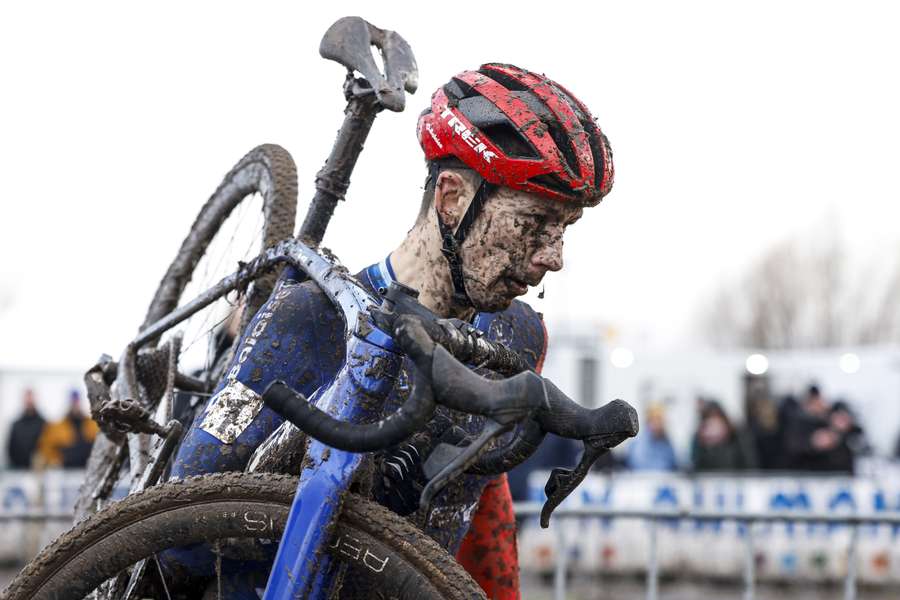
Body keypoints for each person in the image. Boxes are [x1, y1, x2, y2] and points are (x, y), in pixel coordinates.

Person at [167, 62, 614, 599]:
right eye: (532, 224)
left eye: (563, 229)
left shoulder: (519, 336)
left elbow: (481, 504)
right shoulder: (311, 318)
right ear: (451, 198)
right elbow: (175, 535)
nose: (553, 257)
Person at [782, 384, 853, 473]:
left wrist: (840, 432)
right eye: (812, 402)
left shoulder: (831, 418)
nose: (816, 405)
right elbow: (790, 445)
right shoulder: (797, 421)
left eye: (818, 401)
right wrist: (813, 442)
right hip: (805, 472)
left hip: (834, 471)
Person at [35, 390, 99, 469]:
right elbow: (46, 448)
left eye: (76, 401)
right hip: (65, 472)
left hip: (88, 469)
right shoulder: (57, 427)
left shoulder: (93, 425)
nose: (75, 405)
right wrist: (56, 460)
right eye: (73, 402)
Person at [691, 400, 757, 471]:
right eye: (709, 418)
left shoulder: (738, 436)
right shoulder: (700, 440)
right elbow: (697, 465)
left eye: (716, 417)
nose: (714, 425)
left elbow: (749, 462)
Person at [625, 403, 677, 471]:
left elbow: (674, 464)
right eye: (655, 420)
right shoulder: (638, 443)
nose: (658, 424)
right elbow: (637, 465)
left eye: (660, 420)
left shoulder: (667, 443)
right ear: (649, 421)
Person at [6, 388, 45, 469]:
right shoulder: (16, 425)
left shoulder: (43, 424)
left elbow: (48, 446)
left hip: (39, 471)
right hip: (19, 470)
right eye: (27, 398)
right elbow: (10, 448)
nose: (29, 401)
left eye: (31, 398)